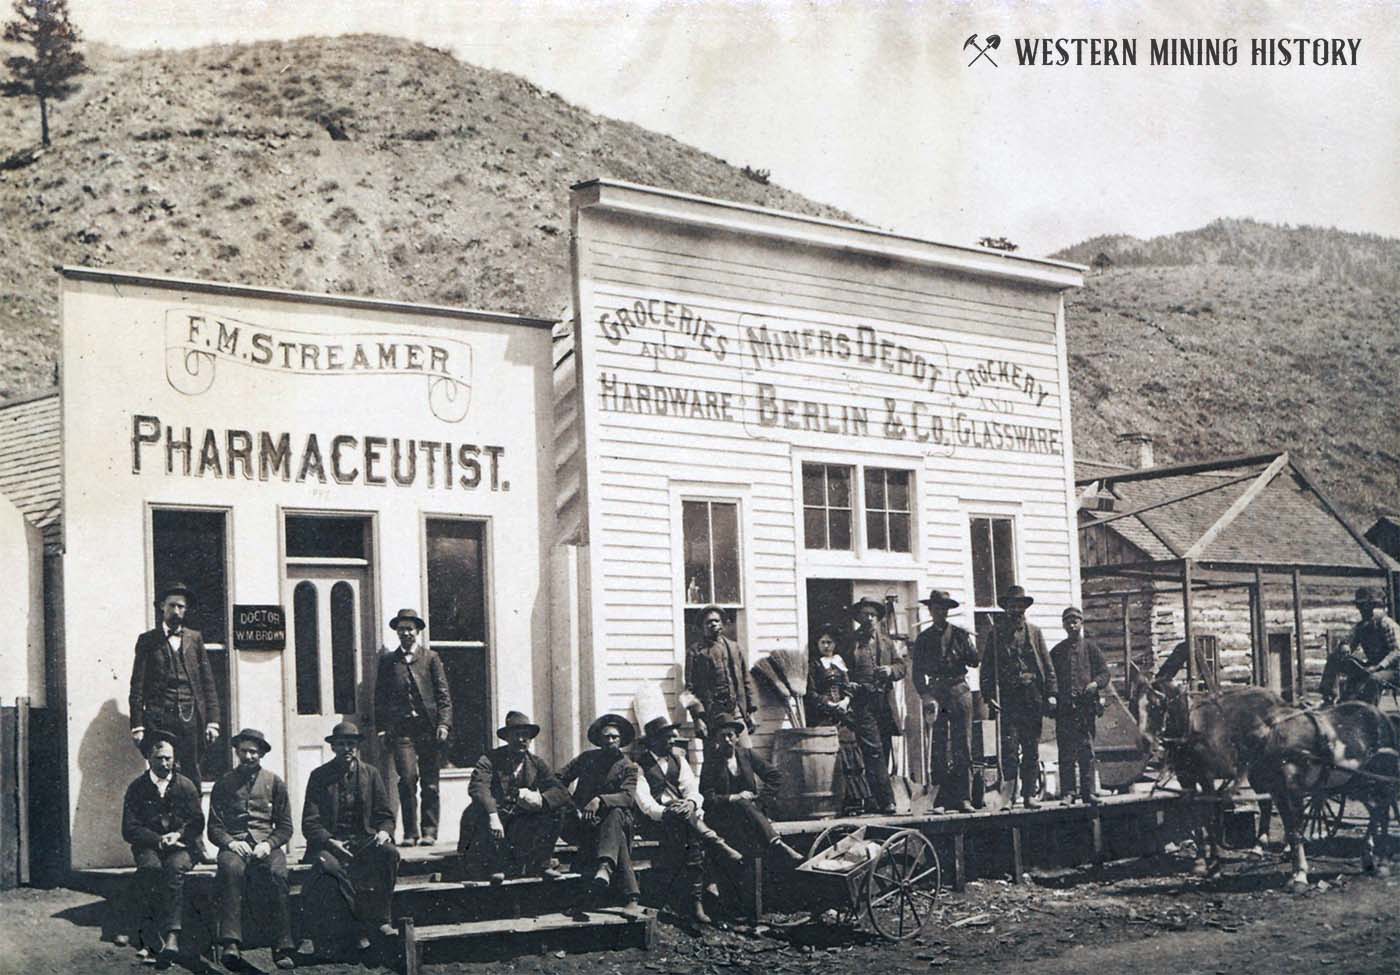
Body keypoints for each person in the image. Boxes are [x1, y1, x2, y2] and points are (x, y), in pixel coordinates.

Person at [300, 721, 401, 955]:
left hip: (364, 840)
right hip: (331, 843)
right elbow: (310, 822)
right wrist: (330, 842)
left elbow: (385, 815)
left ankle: (382, 920)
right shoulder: (319, 776)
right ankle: (360, 928)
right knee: (332, 869)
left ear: (357, 747)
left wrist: (384, 832)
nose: (347, 749)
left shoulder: (371, 774)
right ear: (333, 748)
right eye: (342, 744)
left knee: (389, 853)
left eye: (351, 744)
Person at [630, 715, 742, 925]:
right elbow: (646, 805)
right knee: (689, 828)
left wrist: (690, 803)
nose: (673, 741)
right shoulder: (638, 767)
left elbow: (692, 790)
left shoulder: (679, 760)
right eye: (667, 737)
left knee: (691, 837)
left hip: (683, 819)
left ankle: (696, 904)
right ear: (653, 740)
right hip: (654, 822)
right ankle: (716, 847)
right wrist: (668, 811)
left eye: (673, 737)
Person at [208, 728, 295, 969]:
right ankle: (231, 943)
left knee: (278, 873)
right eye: (244, 751)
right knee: (230, 869)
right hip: (235, 844)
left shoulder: (274, 782)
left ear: (261, 754)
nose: (249, 757)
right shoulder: (223, 784)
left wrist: (269, 844)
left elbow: (286, 827)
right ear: (236, 752)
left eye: (254, 752)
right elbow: (214, 828)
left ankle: (282, 946)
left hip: (266, 845)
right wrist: (231, 843)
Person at [119, 731, 205, 963]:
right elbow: (129, 828)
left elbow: (197, 821)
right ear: (149, 758)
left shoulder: (185, 785)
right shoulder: (137, 788)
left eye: (169, 758)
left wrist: (178, 834)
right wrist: (157, 839)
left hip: (183, 847)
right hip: (150, 847)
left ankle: (172, 935)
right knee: (150, 869)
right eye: (159, 758)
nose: (165, 763)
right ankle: (150, 935)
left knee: (174, 869)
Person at [459, 711, 571, 883]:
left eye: (526, 736)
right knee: (478, 812)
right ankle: (494, 865)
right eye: (517, 735)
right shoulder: (489, 759)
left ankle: (543, 864)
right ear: (507, 738)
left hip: (519, 823)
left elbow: (560, 790)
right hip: (492, 820)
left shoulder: (536, 763)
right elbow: (478, 787)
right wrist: (492, 815)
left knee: (557, 809)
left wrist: (539, 799)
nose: (522, 740)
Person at [373, 608, 452, 846]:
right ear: (396, 632)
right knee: (407, 779)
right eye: (401, 629)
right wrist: (383, 729)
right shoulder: (388, 661)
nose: (405, 633)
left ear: (417, 631)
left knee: (430, 781)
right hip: (402, 731)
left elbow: (443, 695)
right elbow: (381, 699)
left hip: (428, 729)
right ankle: (410, 832)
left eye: (409, 628)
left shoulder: (430, 658)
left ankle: (429, 831)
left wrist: (444, 723)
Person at [128, 581, 221, 782]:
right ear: (162, 606)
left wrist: (213, 721)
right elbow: (137, 686)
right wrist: (137, 725)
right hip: (159, 719)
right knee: (161, 769)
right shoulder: (147, 640)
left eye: (181, 607)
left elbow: (208, 684)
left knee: (191, 771)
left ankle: (192, 813)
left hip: (190, 719)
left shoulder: (194, 639)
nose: (176, 611)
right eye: (172, 605)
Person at [557, 714, 642, 908]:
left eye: (614, 737)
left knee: (615, 815)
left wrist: (599, 800)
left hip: (613, 821)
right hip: (583, 823)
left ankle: (606, 869)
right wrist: (572, 806)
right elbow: (558, 778)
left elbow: (627, 798)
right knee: (615, 835)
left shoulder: (628, 766)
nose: (610, 741)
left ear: (621, 740)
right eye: (606, 737)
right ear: (599, 739)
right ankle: (630, 895)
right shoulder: (587, 758)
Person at [984, 585, 1057, 809]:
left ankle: (1028, 795)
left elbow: (1047, 664)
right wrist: (988, 695)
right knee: (1009, 750)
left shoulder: (1034, 633)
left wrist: (1052, 693)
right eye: (1012, 606)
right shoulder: (996, 634)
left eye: (1020, 606)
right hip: (1009, 700)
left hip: (1032, 698)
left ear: (1025, 609)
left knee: (1031, 749)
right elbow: (986, 668)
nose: (1016, 610)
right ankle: (1008, 796)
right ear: (1006, 609)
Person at [698, 715, 803, 864]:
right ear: (716, 739)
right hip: (722, 814)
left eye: (730, 735)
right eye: (723, 736)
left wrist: (761, 800)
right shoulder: (711, 762)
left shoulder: (746, 754)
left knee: (745, 805)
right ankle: (778, 844)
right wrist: (733, 797)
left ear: (736, 737)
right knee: (742, 802)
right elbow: (707, 797)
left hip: (749, 812)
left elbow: (774, 776)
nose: (727, 740)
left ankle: (776, 844)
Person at [910, 589, 979, 814]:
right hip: (937, 693)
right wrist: (926, 696)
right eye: (936, 608)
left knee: (963, 745)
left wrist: (967, 641)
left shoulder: (960, 634)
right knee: (938, 747)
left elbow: (975, 661)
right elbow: (917, 674)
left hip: (960, 691)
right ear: (930, 610)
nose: (940, 612)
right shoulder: (923, 639)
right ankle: (939, 800)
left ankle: (964, 798)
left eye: (944, 609)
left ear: (949, 611)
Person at [840, 596, 908, 814]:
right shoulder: (851, 642)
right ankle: (888, 801)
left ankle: (873, 798)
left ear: (878, 618)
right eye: (864, 615)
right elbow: (843, 671)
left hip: (884, 704)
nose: (868, 618)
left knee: (883, 750)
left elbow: (901, 667)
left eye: (872, 615)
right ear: (859, 618)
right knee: (874, 750)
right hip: (863, 703)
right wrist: (849, 686)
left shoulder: (887, 643)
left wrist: (890, 670)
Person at [1049, 607, 1111, 804]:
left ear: (1081, 623)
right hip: (1065, 709)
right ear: (1063, 625)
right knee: (1066, 751)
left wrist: (1095, 684)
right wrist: (1052, 696)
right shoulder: (1057, 651)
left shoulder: (1091, 648)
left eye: (1075, 621)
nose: (1072, 625)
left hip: (1085, 709)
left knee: (1086, 751)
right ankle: (1068, 793)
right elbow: (1050, 678)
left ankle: (1088, 791)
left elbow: (1104, 673)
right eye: (1068, 621)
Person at [806, 621, 869, 813]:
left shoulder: (840, 662)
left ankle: (855, 801)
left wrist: (845, 701)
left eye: (830, 642)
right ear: (817, 644)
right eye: (823, 642)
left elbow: (849, 687)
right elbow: (811, 692)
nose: (826, 646)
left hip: (844, 714)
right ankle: (837, 801)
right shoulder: (815, 665)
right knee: (833, 758)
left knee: (850, 755)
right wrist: (828, 704)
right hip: (826, 715)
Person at [682, 604, 759, 748]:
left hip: (736, 710)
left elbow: (746, 680)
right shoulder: (695, 652)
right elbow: (689, 690)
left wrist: (751, 712)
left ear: (722, 624)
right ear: (702, 626)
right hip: (712, 714)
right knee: (715, 758)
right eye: (708, 622)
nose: (713, 624)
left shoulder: (734, 648)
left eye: (716, 621)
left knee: (746, 752)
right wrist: (698, 719)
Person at [1321, 587, 1400, 705]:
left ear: (1372, 606)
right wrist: (1344, 646)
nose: (1361, 609)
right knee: (1334, 658)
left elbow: (1396, 651)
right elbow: (1349, 642)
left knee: (1374, 679)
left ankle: (1368, 714)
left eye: (1364, 605)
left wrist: (1378, 667)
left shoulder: (1386, 624)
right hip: (1372, 666)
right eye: (1359, 606)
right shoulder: (1362, 626)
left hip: (1394, 670)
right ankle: (1329, 698)